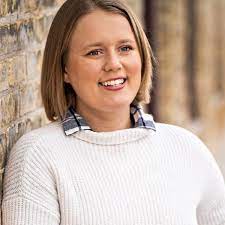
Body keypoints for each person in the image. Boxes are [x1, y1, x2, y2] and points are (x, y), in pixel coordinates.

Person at [1, 0, 225, 224]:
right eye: (94, 52)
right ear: (64, 69)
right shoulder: (38, 156)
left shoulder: (186, 148)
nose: (113, 64)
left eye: (125, 48)